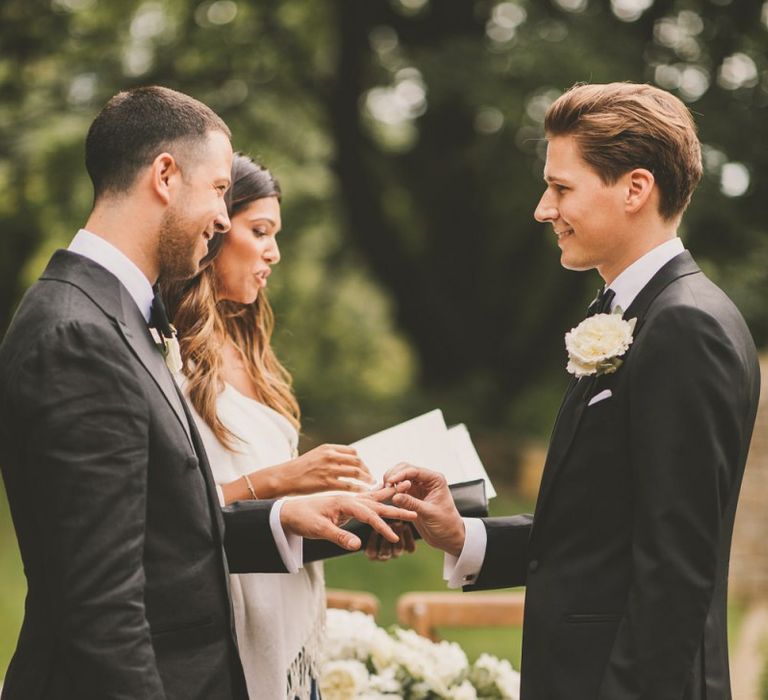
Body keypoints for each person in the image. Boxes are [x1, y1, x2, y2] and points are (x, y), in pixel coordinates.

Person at [0, 86, 415, 700]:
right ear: (165, 175)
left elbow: (161, 535)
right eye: (219, 189)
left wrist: (284, 519)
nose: (223, 218)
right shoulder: (76, 334)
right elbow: (100, 607)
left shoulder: (121, 316)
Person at [384, 82, 760, 700]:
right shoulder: (639, 314)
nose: (542, 208)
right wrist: (463, 534)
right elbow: (603, 531)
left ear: (636, 188)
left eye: (561, 188)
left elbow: (676, 568)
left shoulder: (685, 326)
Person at [162, 153, 386, 699]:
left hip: (290, 616)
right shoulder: (164, 352)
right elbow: (170, 509)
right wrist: (283, 480)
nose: (274, 253)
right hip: (215, 624)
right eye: (259, 231)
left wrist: (357, 515)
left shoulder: (246, 344)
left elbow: (278, 504)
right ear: (214, 225)